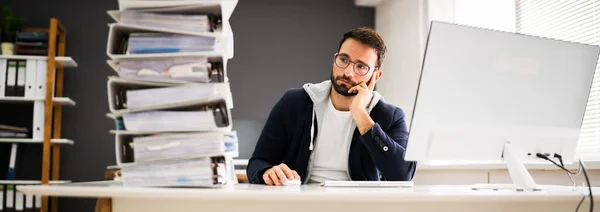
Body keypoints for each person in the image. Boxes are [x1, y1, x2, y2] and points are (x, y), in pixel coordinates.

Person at [246, 27, 416, 186]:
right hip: (300, 201)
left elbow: (403, 175)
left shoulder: (390, 115)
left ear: (376, 75)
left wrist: (361, 116)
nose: (348, 72)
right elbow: (257, 162)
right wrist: (267, 172)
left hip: (359, 205)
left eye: (361, 66)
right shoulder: (295, 102)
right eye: (344, 59)